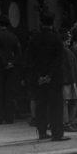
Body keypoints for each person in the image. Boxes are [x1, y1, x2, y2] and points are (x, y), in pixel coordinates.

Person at [28, 14, 68, 142]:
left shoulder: (35, 39)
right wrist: (49, 75)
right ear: (52, 23)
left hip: (39, 78)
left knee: (41, 105)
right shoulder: (56, 38)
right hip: (54, 78)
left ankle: (42, 131)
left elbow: (31, 60)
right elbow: (59, 59)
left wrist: (39, 76)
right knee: (56, 106)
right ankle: (57, 133)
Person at [0, 15, 22, 123]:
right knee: (9, 92)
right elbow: (19, 53)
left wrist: (4, 62)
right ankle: (9, 117)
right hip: (11, 68)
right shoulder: (13, 36)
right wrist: (12, 62)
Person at [61, 29, 77, 131]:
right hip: (68, 79)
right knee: (67, 101)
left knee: (70, 101)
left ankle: (68, 121)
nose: (69, 42)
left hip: (70, 79)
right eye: (67, 40)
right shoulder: (65, 52)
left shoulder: (67, 51)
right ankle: (67, 122)